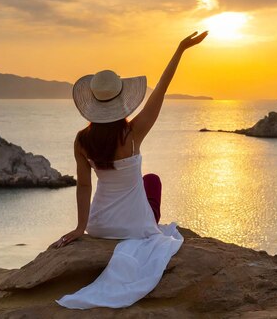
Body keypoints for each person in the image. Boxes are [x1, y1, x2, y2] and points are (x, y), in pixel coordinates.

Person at [54, 31, 208, 309]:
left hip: (99, 226)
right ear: (121, 101)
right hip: (135, 227)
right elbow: (162, 87)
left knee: (145, 182)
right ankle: (149, 219)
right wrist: (180, 49)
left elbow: (84, 186)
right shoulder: (133, 134)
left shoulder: (82, 140)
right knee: (152, 181)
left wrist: (81, 228)